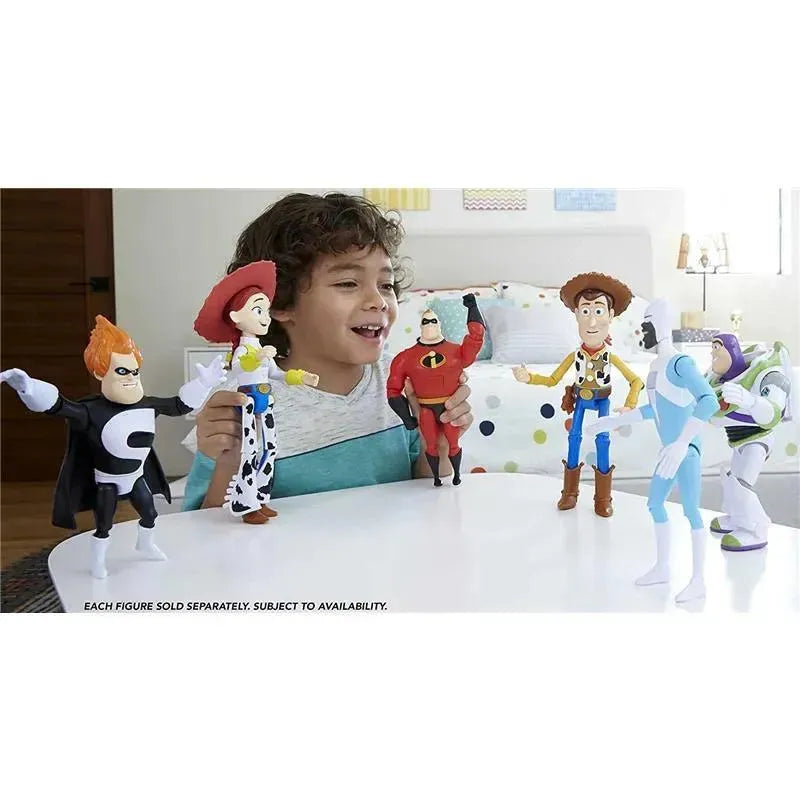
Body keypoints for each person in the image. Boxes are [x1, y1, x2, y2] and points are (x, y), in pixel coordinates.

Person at [183, 192, 473, 510]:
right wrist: (226, 461)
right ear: (279, 302)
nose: (378, 301)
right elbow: (202, 528)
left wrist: (439, 444)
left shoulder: (401, 383)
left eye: (386, 285)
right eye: (348, 283)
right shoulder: (242, 403)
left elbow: (425, 495)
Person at [512, 272, 643, 517]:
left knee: (603, 440)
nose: (591, 322)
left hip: (603, 400)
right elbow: (552, 380)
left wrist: (630, 404)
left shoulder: (610, 356)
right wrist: (529, 377)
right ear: (576, 315)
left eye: (598, 311)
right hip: (581, 399)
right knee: (574, 438)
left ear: (611, 315)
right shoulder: (576, 356)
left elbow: (636, 381)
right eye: (585, 312)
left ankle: (603, 498)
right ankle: (569, 493)